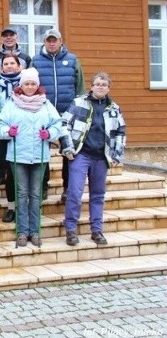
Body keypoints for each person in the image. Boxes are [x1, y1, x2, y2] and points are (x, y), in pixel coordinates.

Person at [0, 68, 62, 247]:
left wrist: (49, 133)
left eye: (33, 84)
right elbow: (1, 123)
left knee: (35, 194)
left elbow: (58, 124)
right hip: (18, 156)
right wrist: (8, 132)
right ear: (21, 85)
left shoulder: (46, 104)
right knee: (21, 193)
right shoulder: (12, 103)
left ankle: (35, 231)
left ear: (37, 85)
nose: (30, 87)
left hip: (39, 156)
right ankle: (22, 232)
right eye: (27, 83)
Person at [62, 72, 126, 246]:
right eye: (97, 84)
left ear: (108, 88)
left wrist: (116, 155)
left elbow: (120, 132)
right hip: (81, 155)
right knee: (74, 193)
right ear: (91, 86)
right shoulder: (78, 102)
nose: (100, 87)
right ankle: (70, 229)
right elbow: (64, 124)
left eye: (104, 85)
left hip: (101, 158)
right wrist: (68, 147)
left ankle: (96, 230)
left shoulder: (114, 108)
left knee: (98, 195)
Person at [32, 28, 85, 201]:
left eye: (54, 40)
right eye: (48, 40)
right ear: (44, 42)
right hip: (44, 114)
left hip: (67, 114)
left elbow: (80, 87)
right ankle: (42, 187)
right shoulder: (36, 61)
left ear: (61, 41)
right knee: (42, 152)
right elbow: (31, 87)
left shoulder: (72, 60)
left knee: (69, 151)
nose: (52, 43)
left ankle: (68, 189)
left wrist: (79, 110)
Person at [0, 26, 31, 188]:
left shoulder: (26, 59)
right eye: (5, 35)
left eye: (11, 35)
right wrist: (0, 120)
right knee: (0, 150)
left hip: (22, 121)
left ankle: (16, 177)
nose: (8, 38)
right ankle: (0, 174)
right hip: (2, 120)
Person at [0, 53, 23, 223]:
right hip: (5, 134)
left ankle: (25, 208)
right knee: (9, 174)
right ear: (1, 68)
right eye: (6, 64)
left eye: (12, 63)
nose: (9, 66)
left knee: (23, 174)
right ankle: (11, 208)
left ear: (19, 66)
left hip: (25, 135)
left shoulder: (27, 83)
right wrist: (4, 128)